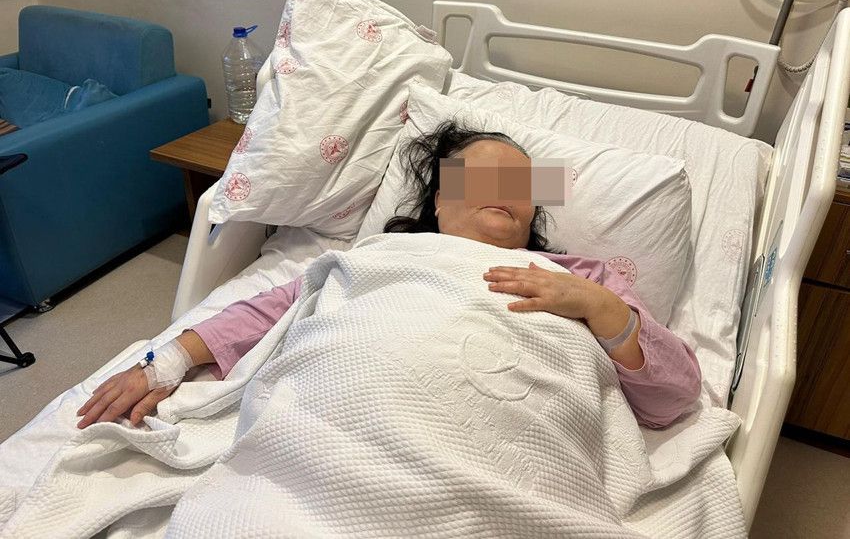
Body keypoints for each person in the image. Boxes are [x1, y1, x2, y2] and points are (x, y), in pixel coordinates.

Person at [77, 122, 701, 430]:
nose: (502, 191)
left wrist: (598, 306)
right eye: (480, 177)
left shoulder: (581, 277)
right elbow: (275, 308)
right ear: (440, 200)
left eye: (518, 184)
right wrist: (167, 361)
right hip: (345, 412)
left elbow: (673, 397)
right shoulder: (380, 253)